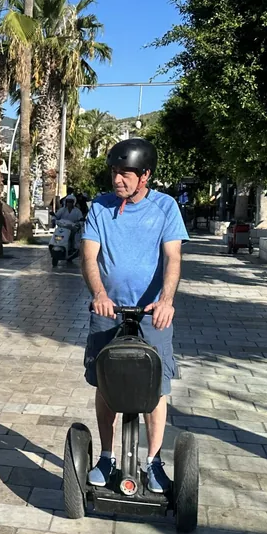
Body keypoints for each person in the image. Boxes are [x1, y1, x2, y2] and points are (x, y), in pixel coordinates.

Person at [80, 137, 189, 491]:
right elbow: (89, 256)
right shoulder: (99, 207)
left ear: (145, 176)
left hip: (152, 313)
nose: (117, 180)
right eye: (114, 172)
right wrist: (99, 294)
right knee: (105, 381)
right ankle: (107, 456)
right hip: (108, 311)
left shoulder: (166, 207)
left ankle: (154, 461)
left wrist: (166, 300)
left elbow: (173, 258)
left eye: (125, 173)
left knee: (156, 386)